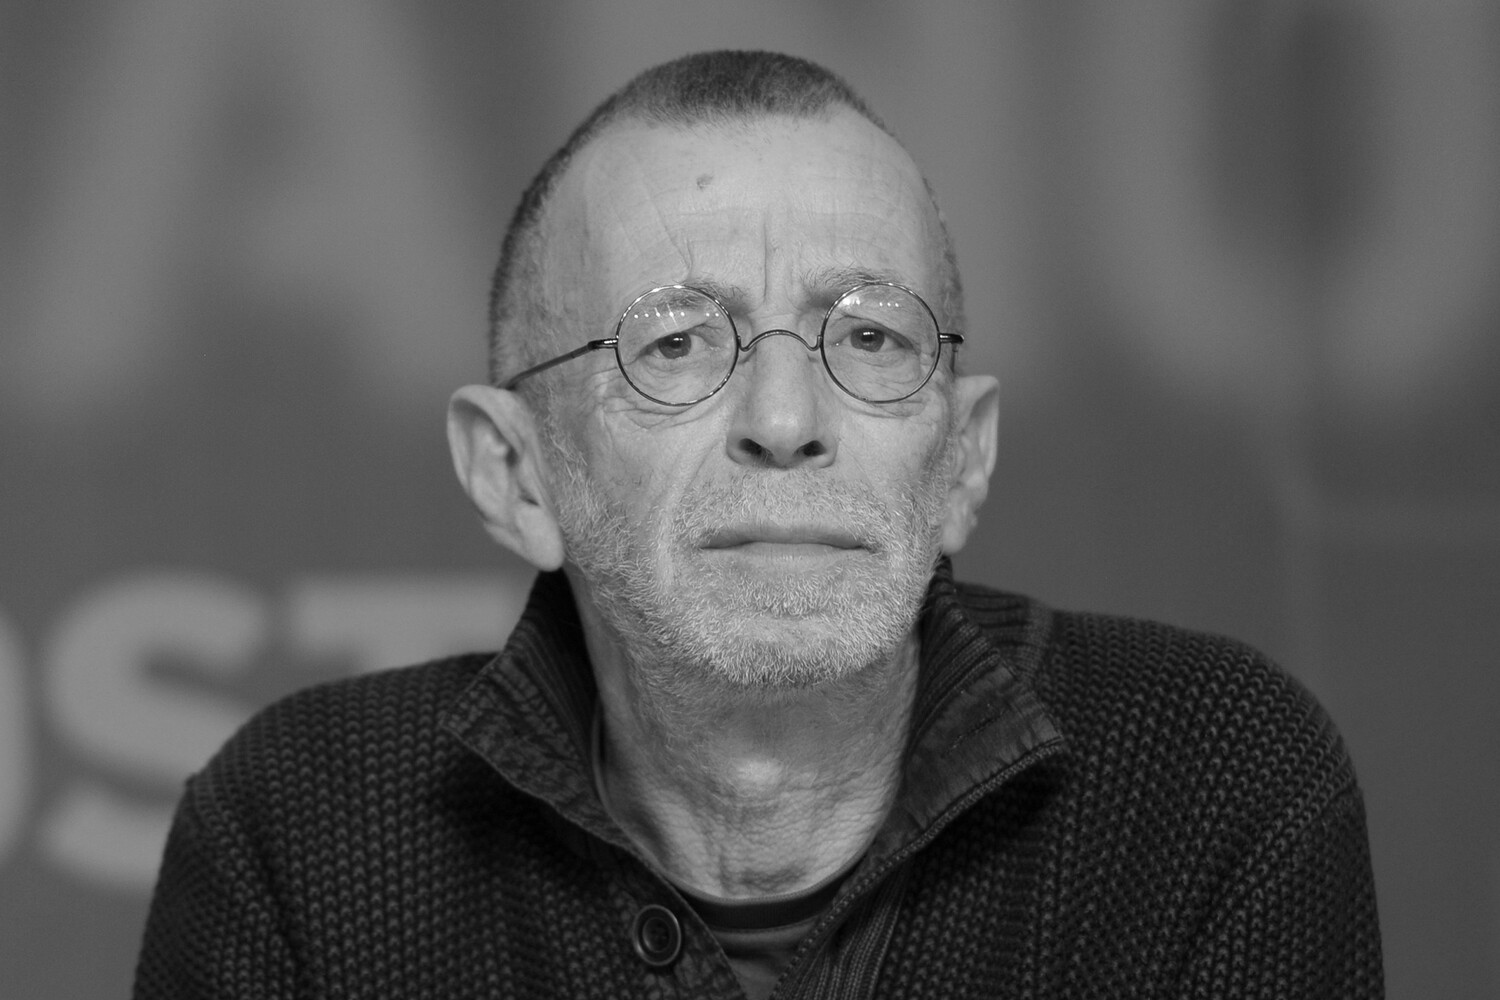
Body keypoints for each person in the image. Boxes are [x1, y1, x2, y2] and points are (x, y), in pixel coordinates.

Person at [133, 51, 1383, 999]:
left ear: (963, 455)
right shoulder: (305, 835)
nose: (786, 419)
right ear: (516, 474)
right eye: (677, 343)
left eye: (871, 336)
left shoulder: (1207, 782)